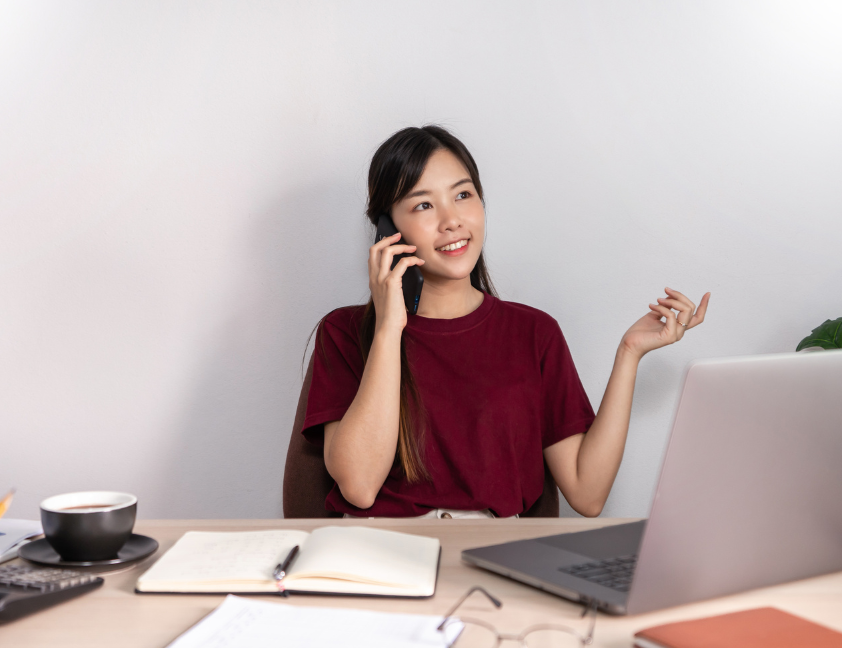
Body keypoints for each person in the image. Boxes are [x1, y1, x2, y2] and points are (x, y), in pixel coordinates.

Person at [302, 126, 710, 518]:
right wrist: (390, 327)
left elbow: (588, 494)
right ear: (387, 231)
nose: (452, 220)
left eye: (463, 195)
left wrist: (629, 354)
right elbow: (358, 485)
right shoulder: (345, 333)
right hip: (382, 557)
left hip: (489, 556)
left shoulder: (533, 333)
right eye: (423, 204)